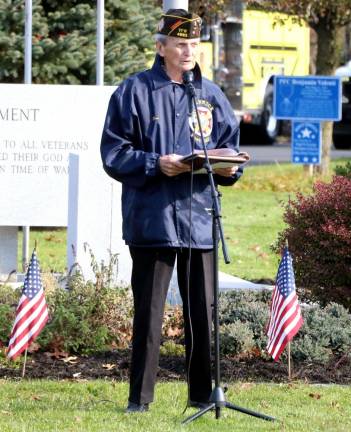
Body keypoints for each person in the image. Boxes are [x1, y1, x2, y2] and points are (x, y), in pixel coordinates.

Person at [100, 8, 243, 413]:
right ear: (161, 48)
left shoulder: (211, 95)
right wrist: (154, 164)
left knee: (203, 314)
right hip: (153, 219)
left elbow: (229, 146)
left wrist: (230, 168)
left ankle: (201, 396)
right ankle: (139, 402)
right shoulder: (134, 92)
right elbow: (114, 153)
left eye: (194, 44)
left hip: (200, 219)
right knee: (149, 316)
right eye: (180, 45)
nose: (188, 51)